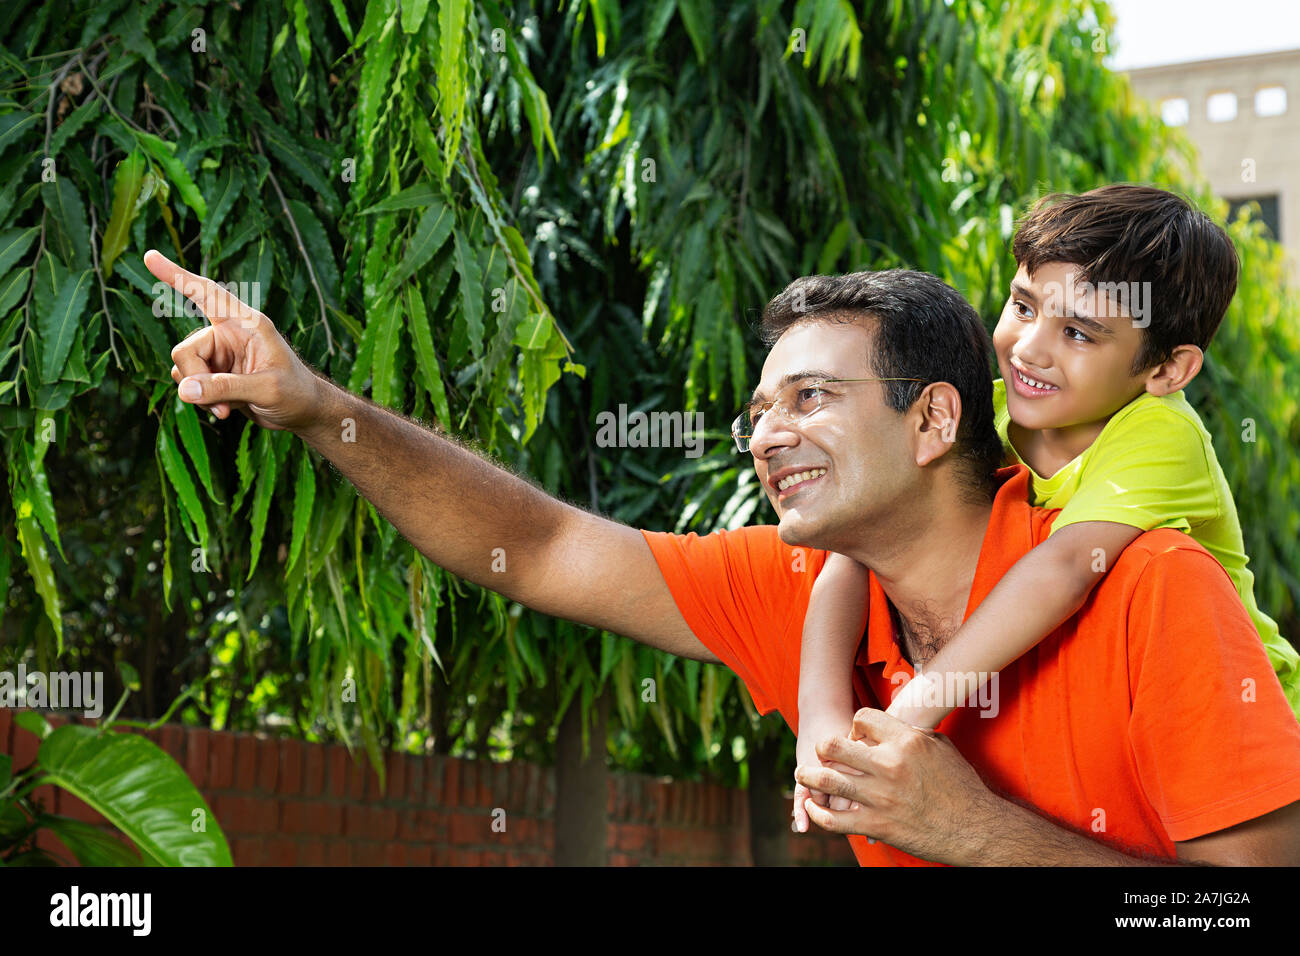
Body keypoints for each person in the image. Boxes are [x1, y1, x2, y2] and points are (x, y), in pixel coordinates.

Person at [147, 249, 1300, 865]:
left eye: (809, 397)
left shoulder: (1149, 586)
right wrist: (314, 407)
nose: (763, 433)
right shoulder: (807, 584)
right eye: (758, 408)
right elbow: (540, 546)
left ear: (935, 420)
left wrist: (979, 835)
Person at [791, 185, 1300, 833]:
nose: (1030, 348)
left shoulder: (1162, 433)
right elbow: (855, 550)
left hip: (1235, 715)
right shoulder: (984, 416)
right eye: (1023, 305)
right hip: (1100, 718)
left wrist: (903, 719)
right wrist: (823, 725)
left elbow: (1063, 568)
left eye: (1079, 332)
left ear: (1169, 371)